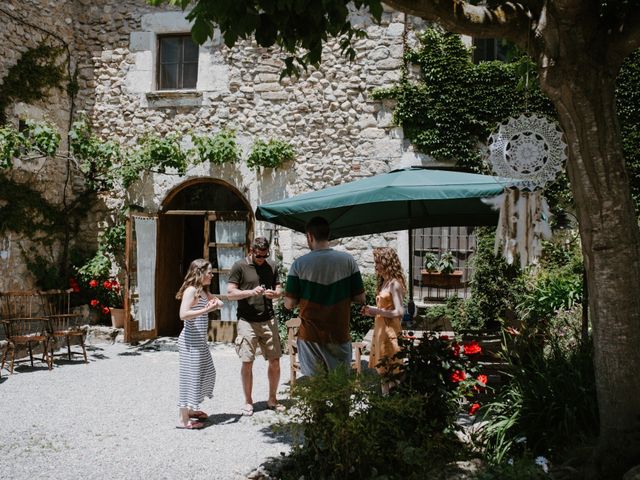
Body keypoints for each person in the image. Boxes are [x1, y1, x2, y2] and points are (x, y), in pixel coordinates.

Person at [284, 216, 366, 376]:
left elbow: (289, 303)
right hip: (339, 334)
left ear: (309, 236)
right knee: (340, 389)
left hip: (310, 337)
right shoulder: (348, 261)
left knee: (316, 391)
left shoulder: (299, 264)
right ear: (328, 235)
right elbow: (360, 298)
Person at [227, 237, 284, 416]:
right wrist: (250, 292)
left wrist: (275, 294)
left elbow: (280, 289)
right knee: (247, 361)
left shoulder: (272, 266)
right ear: (251, 251)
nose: (262, 259)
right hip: (247, 321)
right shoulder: (239, 266)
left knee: (275, 361)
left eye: (265, 255)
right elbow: (230, 293)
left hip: (268, 320)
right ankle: (248, 401)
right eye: (259, 256)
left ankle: (272, 399)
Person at [176, 258, 223, 429]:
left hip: (200, 341)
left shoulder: (202, 290)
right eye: (209, 272)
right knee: (189, 378)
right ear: (200, 273)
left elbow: (218, 302)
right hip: (190, 341)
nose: (211, 275)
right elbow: (183, 315)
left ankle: (191, 409)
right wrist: (207, 309)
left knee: (207, 373)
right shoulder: (191, 291)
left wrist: (216, 303)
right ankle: (183, 419)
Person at [361, 247, 406, 395]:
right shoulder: (385, 282)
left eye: (378, 262)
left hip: (390, 332)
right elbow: (384, 309)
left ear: (387, 262)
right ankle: (385, 402)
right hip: (381, 332)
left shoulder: (395, 284)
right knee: (383, 371)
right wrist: (371, 310)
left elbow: (400, 312)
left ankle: (393, 402)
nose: (375, 266)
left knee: (392, 370)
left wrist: (378, 311)